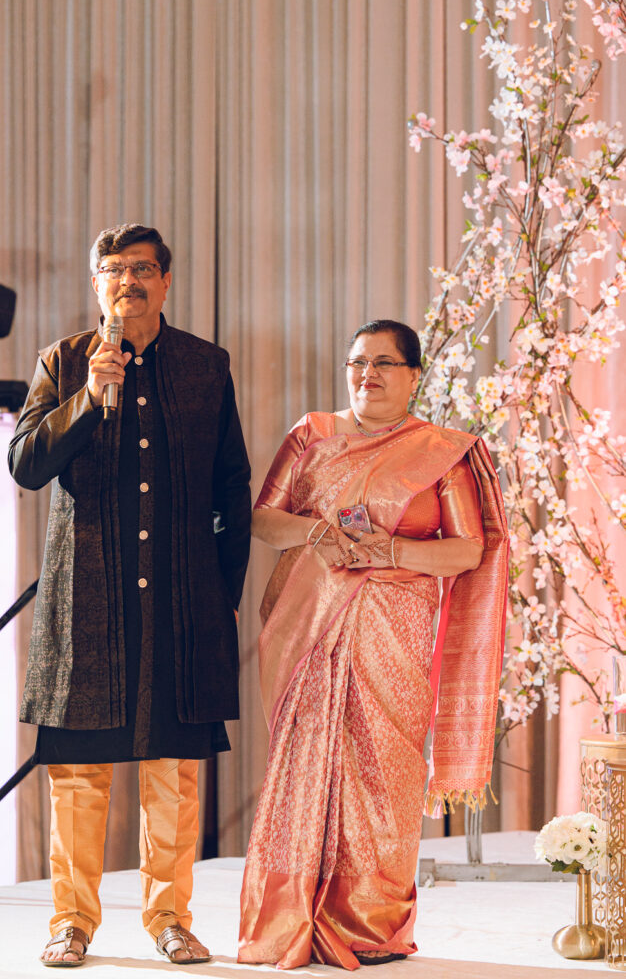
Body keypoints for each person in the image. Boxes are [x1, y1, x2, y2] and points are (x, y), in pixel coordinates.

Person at [8, 223, 251, 967]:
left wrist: (224, 593)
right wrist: (89, 397)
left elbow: (231, 486)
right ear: (96, 283)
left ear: (165, 282)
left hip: (181, 602)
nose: (129, 282)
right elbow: (25, 464)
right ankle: (71, 923)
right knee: (79, 774)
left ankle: (169, 917)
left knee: (172, 772)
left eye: (142, 269)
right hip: (89, 604)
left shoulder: (207, 367)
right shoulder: (65, 362)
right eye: (113, 270)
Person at [238, 319, 508, 969]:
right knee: (304, 770)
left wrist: (392, 549)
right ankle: (286, 919)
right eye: (358, 362)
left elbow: (469, 548)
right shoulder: (313, 435)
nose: (369, 375)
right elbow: (263, 519)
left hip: (396, 629)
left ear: (414, 376)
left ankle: (370, 926)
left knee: (382, 774)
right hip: (309, 626)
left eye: (385, 363)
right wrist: (316, 536)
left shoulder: (441, 449)